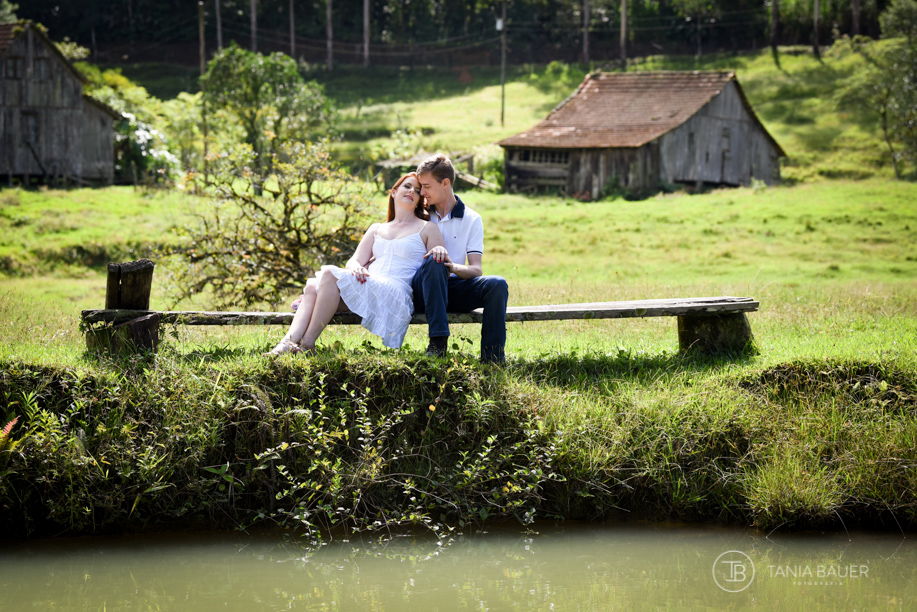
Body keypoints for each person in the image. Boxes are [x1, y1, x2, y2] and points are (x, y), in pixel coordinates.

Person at [265, 172, 445, 355]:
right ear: (394, 192)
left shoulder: (427, 228)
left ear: (419, 200)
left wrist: (441, 251)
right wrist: (356, 267)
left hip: (396, 292)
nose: (411, 192)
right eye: (407, 186)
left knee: (329, 274)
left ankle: (307, 343)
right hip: (370, 283)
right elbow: (354, 260)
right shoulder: (377, 228)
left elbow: (437, 266)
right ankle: (287, 342)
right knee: (312, 285)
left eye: (417, 190)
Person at [411, 154, 508, 363]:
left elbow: (476, 270)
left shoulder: (472, 219)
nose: (422, 192)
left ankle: (493, 359)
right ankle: (438, 342)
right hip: (421, 291)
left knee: (498, 284)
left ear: (445, 183)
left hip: (452, 288)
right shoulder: (419, 213)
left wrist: (451, 266)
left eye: (426, 186)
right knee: (435, 260)